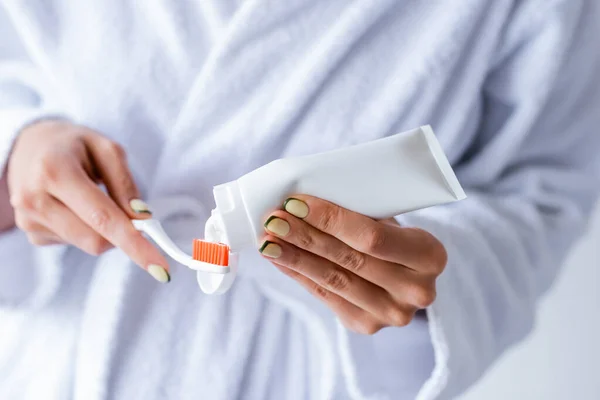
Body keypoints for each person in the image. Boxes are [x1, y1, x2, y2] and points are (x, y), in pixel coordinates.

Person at [0, 1, 599, 399]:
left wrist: (422, 282)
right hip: (62, 360)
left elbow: (543, 192)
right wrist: (16, 159)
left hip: (301, 372)